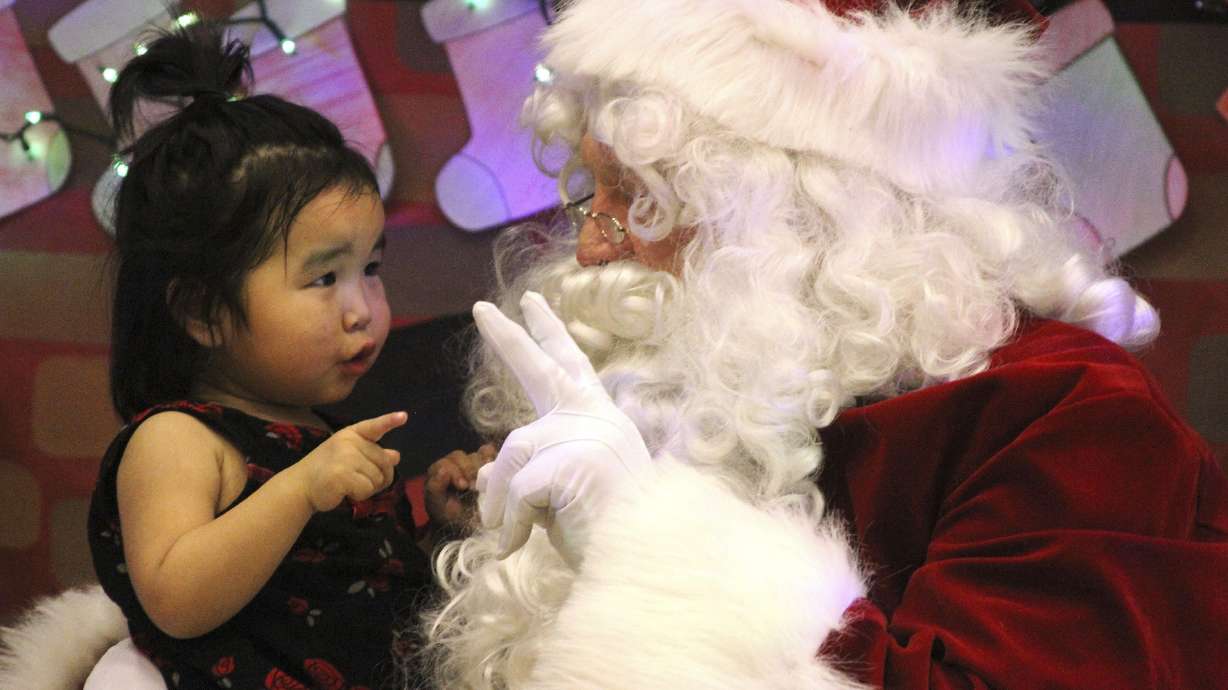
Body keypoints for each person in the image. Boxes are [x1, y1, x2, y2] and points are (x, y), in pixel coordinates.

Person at [417, 0, 1228, 687]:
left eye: (636, 196)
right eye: (591, 190)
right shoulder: (723, 376)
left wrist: (657, 553)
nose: (592, 246)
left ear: (801, 211)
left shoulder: (1068, 417)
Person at [85, 22, 484, 690]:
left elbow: (358, 601)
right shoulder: (178, 440)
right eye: (326, 278)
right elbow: (177, 598)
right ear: (204, 312)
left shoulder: (316, 436)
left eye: (372, 268)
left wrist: (438, 530)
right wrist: (299, 489)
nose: (362, 308)